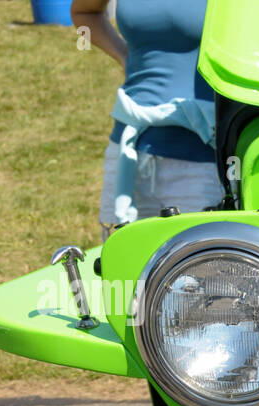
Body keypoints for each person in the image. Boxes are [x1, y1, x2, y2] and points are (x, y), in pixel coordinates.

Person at [71, 1, 221, 240]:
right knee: (124, 267)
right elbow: (83, 13)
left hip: (206, 157)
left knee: (203, 270)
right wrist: (122, 55)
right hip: (129, 150)